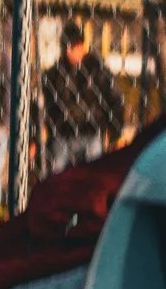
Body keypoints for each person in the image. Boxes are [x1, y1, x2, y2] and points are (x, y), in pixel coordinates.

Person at [40, 19, 125, 175]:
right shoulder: (55, 73)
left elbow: (115, 98)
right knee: (56, 177)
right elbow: (45, 105)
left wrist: (115, 133)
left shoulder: (96, 69)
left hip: (90, 133)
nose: (69, 52)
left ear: (81, 46)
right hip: (63, 134)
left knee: (90, 177)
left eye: (73, 47)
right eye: (66, 47)